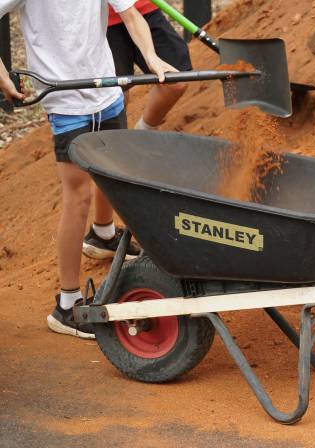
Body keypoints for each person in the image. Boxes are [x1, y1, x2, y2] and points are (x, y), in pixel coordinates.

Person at [0, 0, 176, 339]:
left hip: (107, 91)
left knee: (112, 174)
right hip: (65, 103)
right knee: (77, 197)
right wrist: (3, 75)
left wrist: (151, 57)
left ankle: (104, 234)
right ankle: (66, 305)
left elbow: (130, 13)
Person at [106, 0, 191, 131]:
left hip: (143, 7)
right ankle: (116, 143)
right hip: (102, 18)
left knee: (176, 78)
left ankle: (144, 130)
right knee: (116, 92)